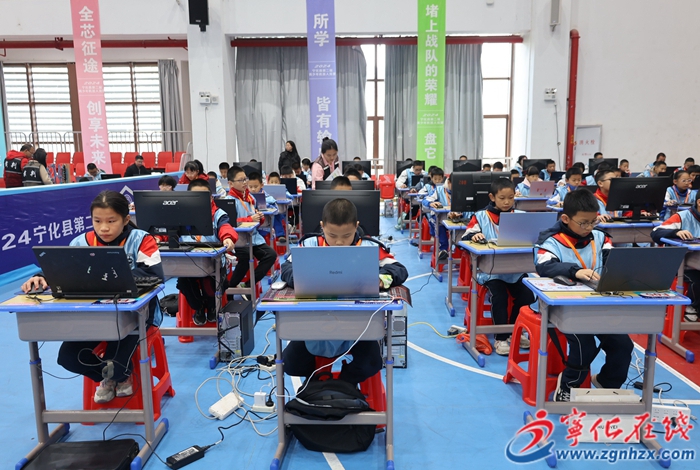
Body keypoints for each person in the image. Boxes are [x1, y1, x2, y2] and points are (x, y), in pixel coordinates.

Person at [21, 190, 165, 403]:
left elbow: (154, 275)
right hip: (92, 316)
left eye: (111, 221)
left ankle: (117, 373)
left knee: (117, 365)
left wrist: (111, 276)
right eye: (97, 221)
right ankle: (112, 376)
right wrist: (40, 277)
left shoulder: (141, 240)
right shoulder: (82, 241)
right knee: (68, 358)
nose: (103, 228)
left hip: (135, 317)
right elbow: (61, 269)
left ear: (126, 219)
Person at [280, 198, 408, 385]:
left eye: (347, 235)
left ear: (356, 226)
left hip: (358, 327)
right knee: (290, 363)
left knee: (372, 363)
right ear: (322, 226)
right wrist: (302, 279)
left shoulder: (368, 247)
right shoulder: (309, 245)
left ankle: (344, 386)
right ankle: (315, 385)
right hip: (314, 324)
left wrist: (381, 279)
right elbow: (286, 268)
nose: (339, 242)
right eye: (332, 235)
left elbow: (398, 269)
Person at [535, 190, 632, 401]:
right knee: (584, 345)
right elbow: (544, 266)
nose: (589, 227)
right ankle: (568, 385)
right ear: (565, 219)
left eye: (593, 221)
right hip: (562, 307)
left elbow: (612, 260)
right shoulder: (550, 241)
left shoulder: (601, 237)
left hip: (597, 304)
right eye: (583, 223)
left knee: (623, 345)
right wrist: (575, 271)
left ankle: (607, 383)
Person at [462, 178, 534, 356]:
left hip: (515, 270)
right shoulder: (481, 217)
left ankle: (514, 331)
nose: (507, 202)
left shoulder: (521, 216)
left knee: (528, 295)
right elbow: (466, 236)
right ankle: (501, 337)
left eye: (511, 197)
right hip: (490, 272)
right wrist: (475, 236)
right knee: (499, 296)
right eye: (502, 198)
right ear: (492, 197)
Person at [176, 179, 237, 325]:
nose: (199, 200)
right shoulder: (180, 214)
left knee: (212, 282)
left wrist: (228, 238)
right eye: (194, 196)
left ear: (210, 198)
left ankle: (211, 306)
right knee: (184, 281)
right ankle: (199, 306)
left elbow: (225, 228)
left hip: (213, 261)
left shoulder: (218, 214)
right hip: (187, 260)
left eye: (203, 197)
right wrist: (158, 238)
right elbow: (168, 231)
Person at [226, 166, 278, 290]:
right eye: (241, 180)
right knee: (245, 257)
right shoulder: (229, 201)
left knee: (271, 255)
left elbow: (256, 221)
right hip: (238, 241)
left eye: (245, 179)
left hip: (253, 239)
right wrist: (250, 219)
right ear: (231, 183)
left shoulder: (250, 198)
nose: (245, 182)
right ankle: (230, 287)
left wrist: (260, 218)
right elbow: (230, 223)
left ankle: (249, 284)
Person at [652, 197, 700, 320]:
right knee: (697, 281)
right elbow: (655, 232)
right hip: (682, 266)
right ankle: (691, 308)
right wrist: (675, 232)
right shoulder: (682, 217)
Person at [422, 174, 465, 261]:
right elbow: (425, 200)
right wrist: (431, 203)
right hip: (440, 218)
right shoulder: (439, 190)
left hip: (457, 217)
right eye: (455, 185)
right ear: (449, 183)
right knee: (439, 225)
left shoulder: (464, 191)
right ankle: (443, 249)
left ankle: (460, 248)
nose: (457, 188)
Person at [248, 171, 286, 243]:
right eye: (250, 187)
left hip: (264, 225)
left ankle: (280, 234)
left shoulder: (267, 197)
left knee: (277, 216)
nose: (253, 189)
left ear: (262, 185)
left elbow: (276, 209)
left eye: (255, 187)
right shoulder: (245, 197)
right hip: (250, 225)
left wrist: (268, 205)